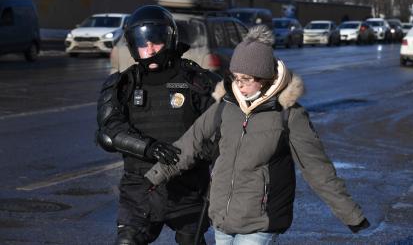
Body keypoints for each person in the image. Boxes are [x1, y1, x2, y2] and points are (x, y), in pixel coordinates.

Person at [145, 25, 370, 244]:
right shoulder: (225, 106)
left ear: (265, 78)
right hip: (223, 217)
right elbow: (190, 143)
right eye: (235, 77)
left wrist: (350, 214)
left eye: (246, 79)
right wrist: (153, 177)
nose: (238, 85)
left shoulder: (288, 114)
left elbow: (316, 168)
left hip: (261, 220)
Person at [95, 5, 221, 245]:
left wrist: (190, 155)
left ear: (169, 39)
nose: (149, 49)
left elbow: (220, 130)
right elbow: (110, 128)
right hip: (139, 186)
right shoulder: (123, 84)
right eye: (143, 44)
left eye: (155, 42)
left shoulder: (197, 82)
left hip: (188, 185)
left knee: (190, 240)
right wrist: (149, 148)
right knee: (128, 241)